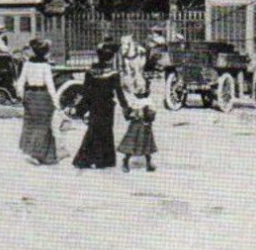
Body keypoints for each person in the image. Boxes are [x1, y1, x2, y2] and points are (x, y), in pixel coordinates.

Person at [72, 42, 131, 170]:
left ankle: (85, 159)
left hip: (94, 104)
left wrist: (78, 106)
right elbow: (119, 93)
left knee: (92, 130)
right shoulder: (113, 74)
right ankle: (104, 160)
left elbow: (85, 90)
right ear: (110, 58)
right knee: (106, 132)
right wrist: (126, 108)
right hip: (107, 106)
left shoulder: (91, 71)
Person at [16, 38, 61, 165]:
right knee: (44, 126)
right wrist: (56, 102)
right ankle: (39, 154)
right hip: (43, 96)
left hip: (30, 95)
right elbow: (50, 85)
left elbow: (20, 82)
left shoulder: (27, 64)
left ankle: (32, 151)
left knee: (31, 123)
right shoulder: (45, 66)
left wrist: (22, 96)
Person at [118, 82, 157, 173]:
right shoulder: (134, 102)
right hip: (135, 125)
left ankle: (148, 163)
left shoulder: (149, 102)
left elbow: (152, 115)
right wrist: (129, 113)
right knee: (131, 143)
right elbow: (127, 113)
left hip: (145, 125)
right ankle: (126, 161)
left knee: (147, 145)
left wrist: (148, 115)